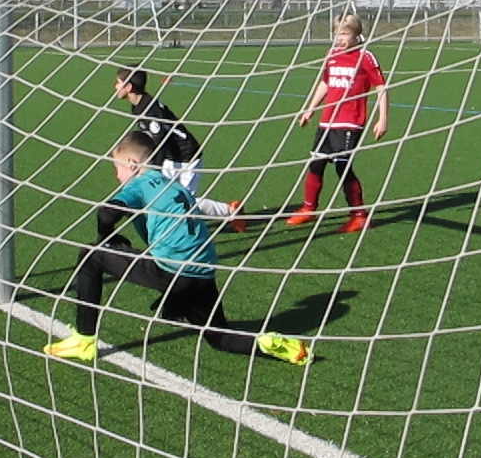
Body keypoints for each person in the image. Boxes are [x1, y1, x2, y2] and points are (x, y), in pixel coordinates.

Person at [42, 129, 309, 366]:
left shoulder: (141, 183)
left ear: (132, 164)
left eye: (117, 168)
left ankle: (84, 340)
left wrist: (107, 237)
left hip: (173, 272)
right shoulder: (171, 183)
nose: (117, 175)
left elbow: (106, 213)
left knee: (90, 255)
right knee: (219, 337)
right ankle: (268, 343)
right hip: (203, 271)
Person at [113, 67, 245, 231]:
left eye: (118, 82)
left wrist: (154, 169)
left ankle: (231, 211)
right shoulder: (139, 106)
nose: (115, 86)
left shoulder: (149, 110)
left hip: (186, 157)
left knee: (184, 202)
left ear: (129, 87)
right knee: (168, 199)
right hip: (171, 158)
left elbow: (160, 141)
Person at [289, 13, 389, 232]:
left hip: (350, 121)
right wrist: (310, 109)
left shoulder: (365, 57)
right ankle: (309, 208)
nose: (341, 39)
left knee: (342, 167)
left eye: (345, 34)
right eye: (338, 34)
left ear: (356, 34)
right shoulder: (332, 55)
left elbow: (381, 87)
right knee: (316, 163)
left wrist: (382, 119)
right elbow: (326, 82)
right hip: (328, 120)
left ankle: (359, 215)